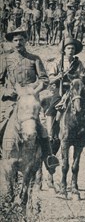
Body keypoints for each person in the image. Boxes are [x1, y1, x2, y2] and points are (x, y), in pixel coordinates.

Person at [0, 27, 58, 173]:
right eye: (15, 40)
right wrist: (8, 91)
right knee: (2, 123)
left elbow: (44, 80)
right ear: (12, 43)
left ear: (26, 41)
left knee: (41, 128)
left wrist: (34, 91)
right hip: (11, 101)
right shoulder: (5, 59)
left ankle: (48, 157)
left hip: (30, 102)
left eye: (21, 40)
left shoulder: (34, 59)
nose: (18, 42)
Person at [45, 38, 85, 145]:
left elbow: (82, 79)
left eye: (73, 48)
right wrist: (58, 77)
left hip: (75, 90)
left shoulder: (78, 63)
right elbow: (50, 80)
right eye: (68, 48)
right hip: (61, 89)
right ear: (64, 50)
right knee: (52, 108)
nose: (71, 50)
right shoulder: (58, 62)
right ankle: (50, 134)